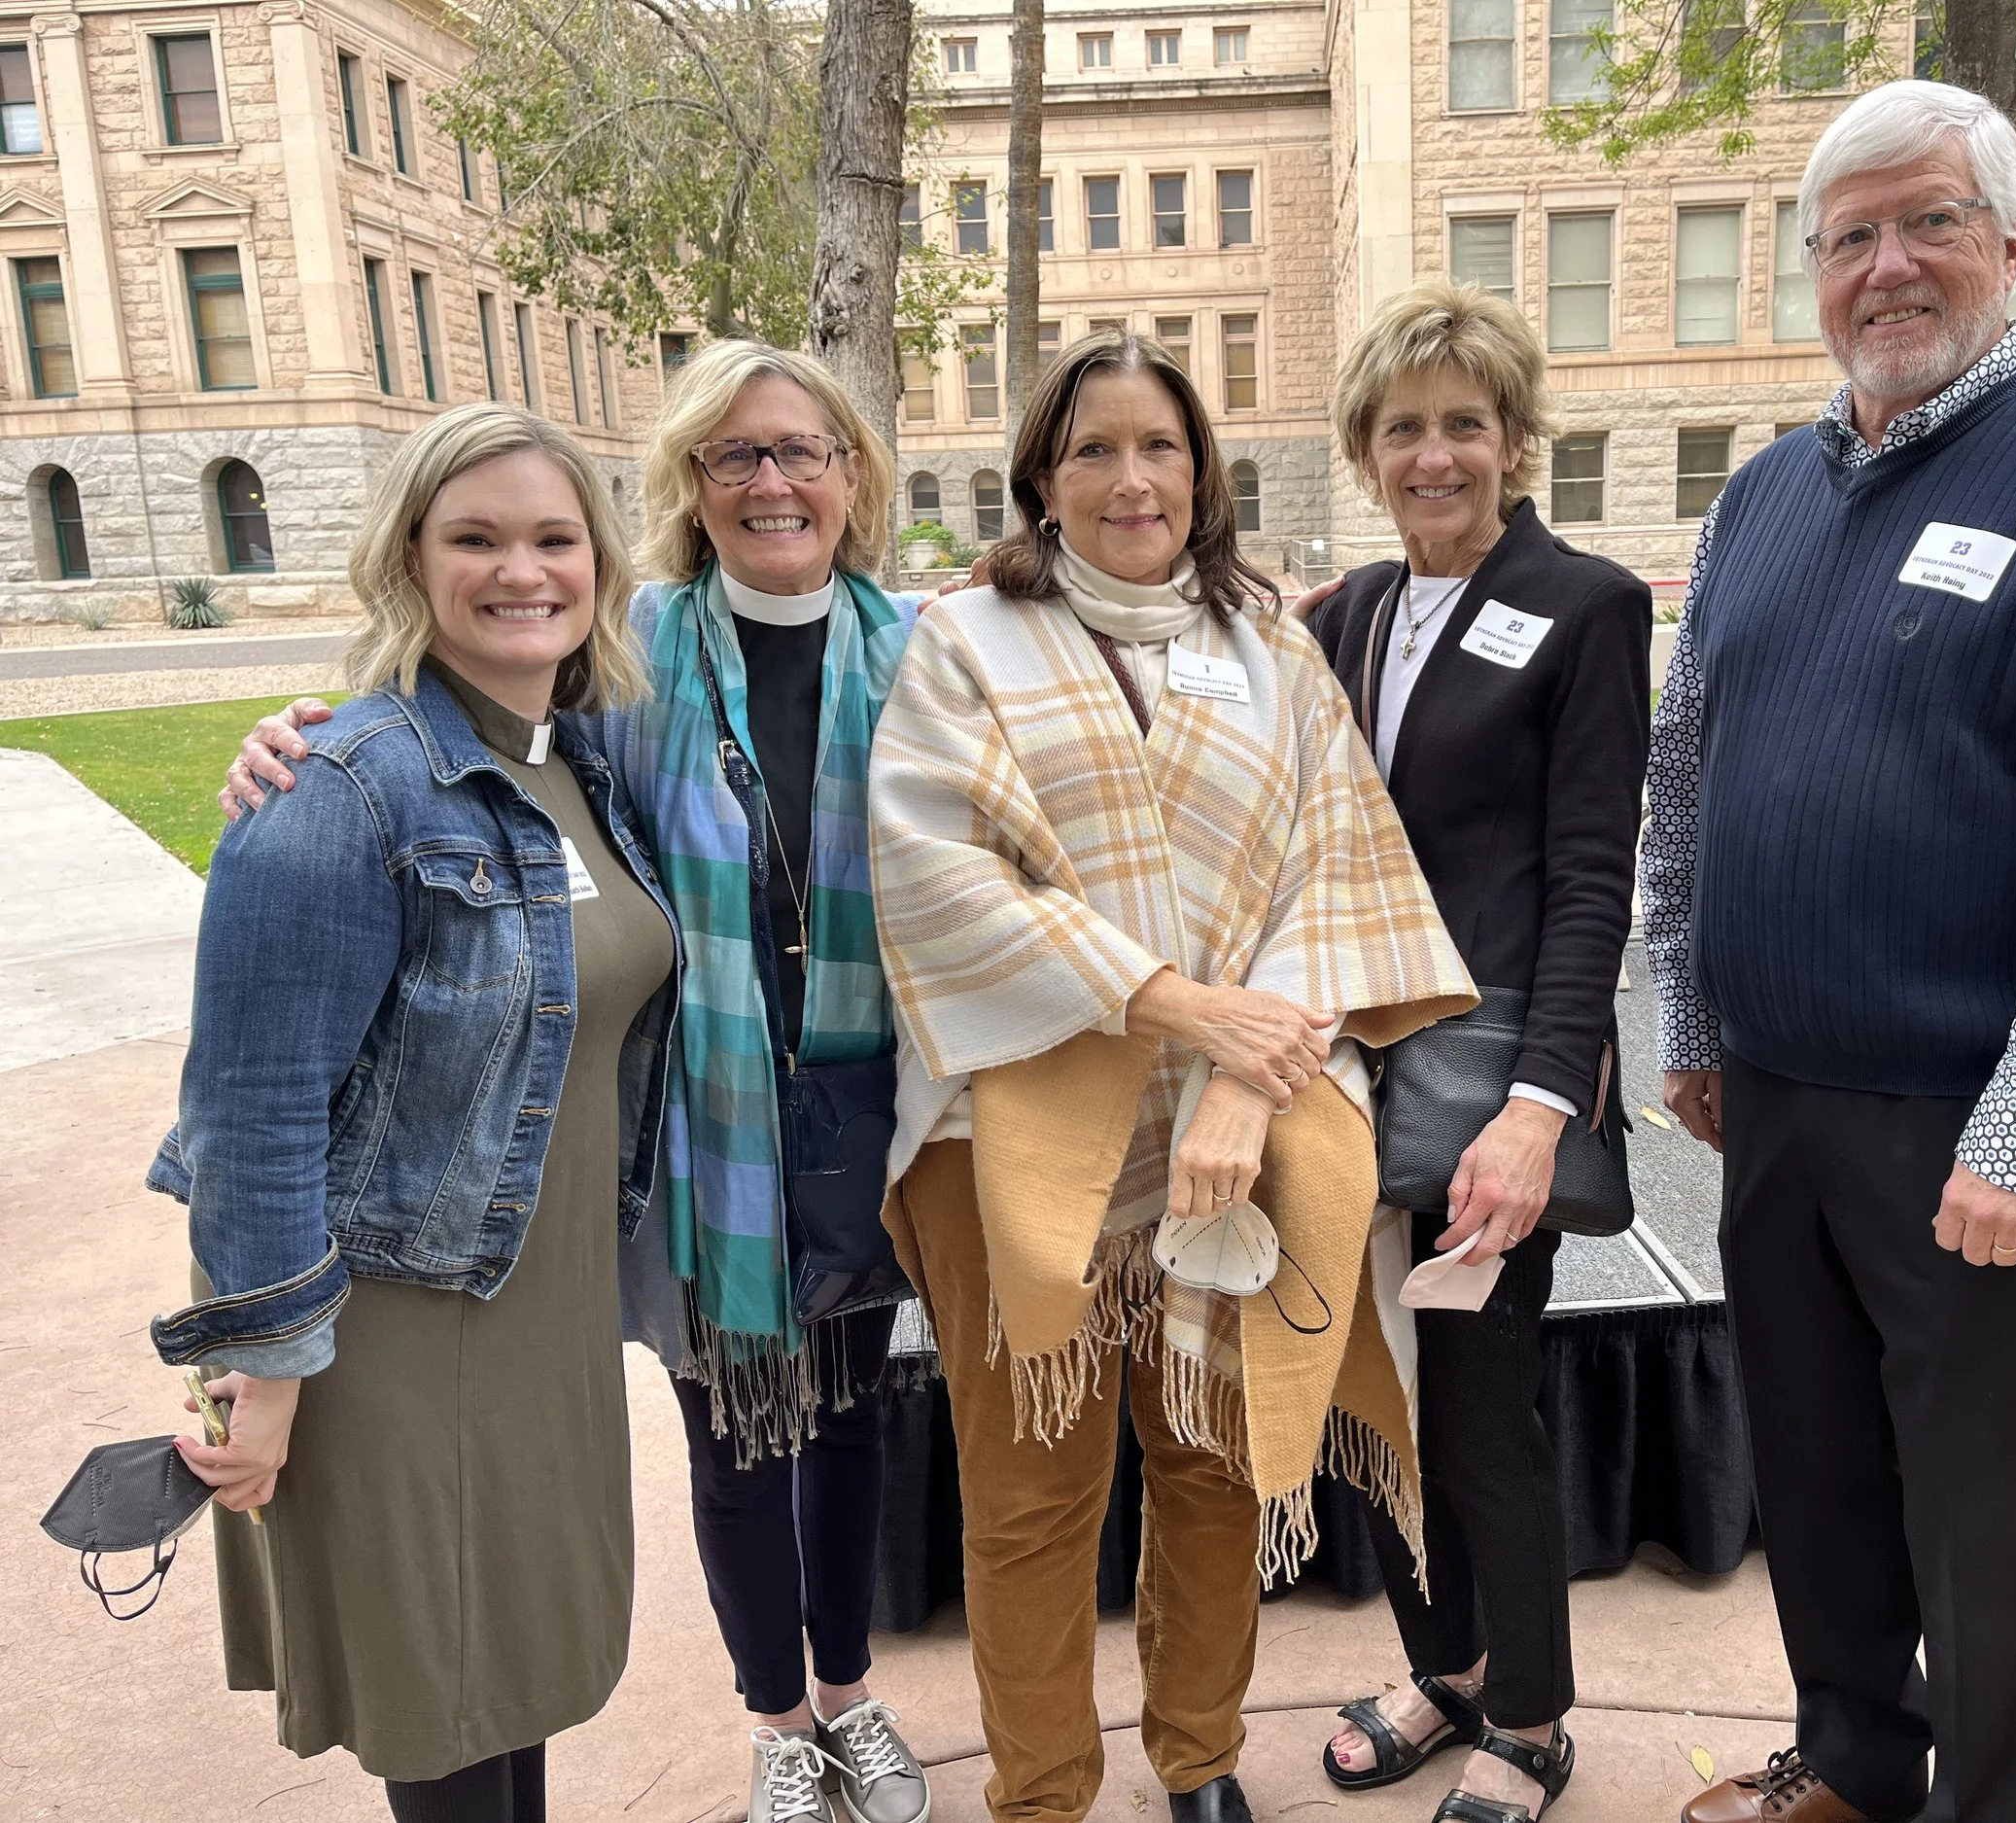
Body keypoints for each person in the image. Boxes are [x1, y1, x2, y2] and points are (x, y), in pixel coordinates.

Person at [219, 340, 934, 1823]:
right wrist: (297, 740)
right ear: (686, 483)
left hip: (861, 1113)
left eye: (803, 448)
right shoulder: (636, 659)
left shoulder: (925, 646)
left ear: (854, 471)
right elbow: (419, 768)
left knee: (846, 1422)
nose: (773, 478)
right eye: (734, 454)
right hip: (691, 1137)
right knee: (730, 1429)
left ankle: (853, 1694)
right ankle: (778, 1720)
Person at [1644, 81, 2016, 1823]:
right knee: (1818, 1481)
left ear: (2009, 242)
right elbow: (1689, 780)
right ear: (1810, 270)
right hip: (1775, 1101)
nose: (1888, 267)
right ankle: (1851, 1765)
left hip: (1977, 1127)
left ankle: (1991, 1802)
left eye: (1929, 225)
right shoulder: (1761, 493)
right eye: (1850, 239)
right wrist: (1693, 1008)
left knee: (1985, 1522)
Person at [868, 329, 1477, 1823]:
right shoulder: (966, 641)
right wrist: (1178, 1008)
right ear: (1041, 478)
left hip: (1233, 1125)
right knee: (1029, 1499)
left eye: (1160, 446)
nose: (1130, 477)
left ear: (1203, 471)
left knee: (1211, 1469)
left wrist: (1242, 1080)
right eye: (1093, 449)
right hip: (1011, 1127)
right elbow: (935, 868)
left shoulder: (1273, 649)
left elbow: (1331, 872)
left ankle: (1198, 1755)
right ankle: (1043, 1787)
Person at [153, 402, 677, 1823]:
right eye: (477, 538)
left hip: (539, 1306)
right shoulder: (337, 785)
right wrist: (264, 1374)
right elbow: (253, 1106)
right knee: (436, 1695)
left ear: (598, 562)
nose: (522, 570)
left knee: (503, 1675)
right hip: (386, 1329)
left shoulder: (576, 760)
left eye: (554, 537)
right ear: (410, 557)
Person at [1303, 281, 1651, 1823]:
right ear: (1365, 451)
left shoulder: (1586, 606)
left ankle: (1530, 1712)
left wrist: (1540, 1106)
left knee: (1475, 1397)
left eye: (1464, 423)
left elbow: (1593, 877)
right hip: (1346, 1080)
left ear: (1516, 439)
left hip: (1492, 1081)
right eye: (1403, 428)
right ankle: (1443, 1666)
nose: (1434, 454)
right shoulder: (1347, 614)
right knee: (1368, 1385)